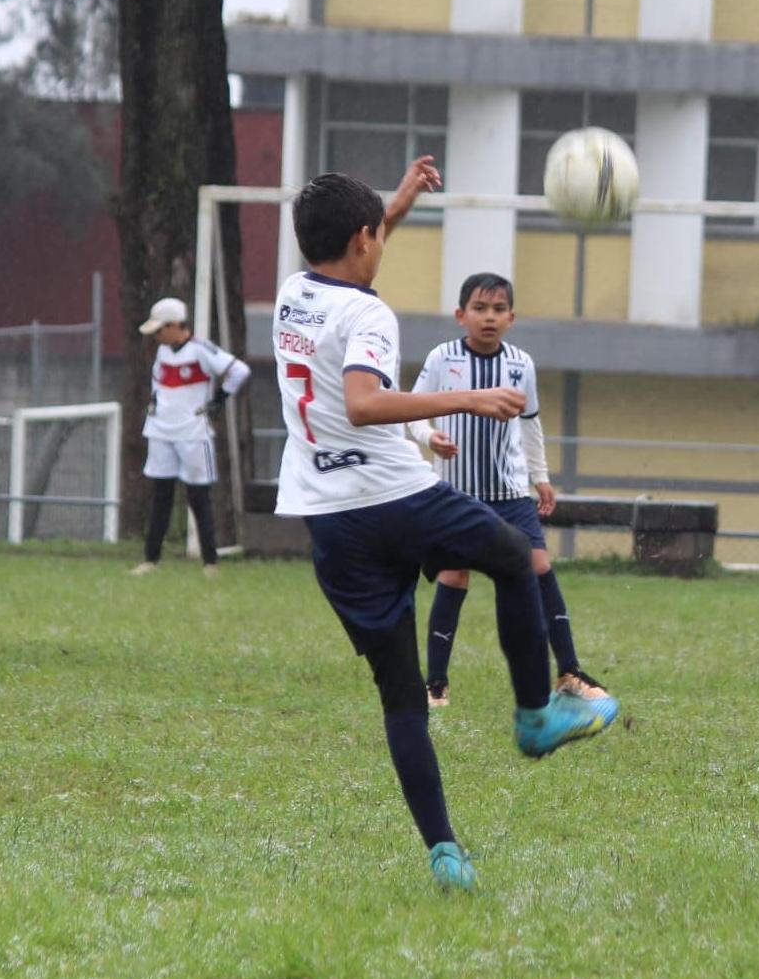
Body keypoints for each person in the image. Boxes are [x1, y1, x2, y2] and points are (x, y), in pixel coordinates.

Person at [272, 166, 619, 891]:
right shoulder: (368, 316)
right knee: (514, 554)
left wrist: (394, 206)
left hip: (328, 518)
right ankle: (534, 717)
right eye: (378, 232)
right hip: (392, 496)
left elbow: (349, 258)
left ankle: (445, 853)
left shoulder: (294, 295)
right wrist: (470, 398)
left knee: (401, 695)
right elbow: (364, 404)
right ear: (363, 240)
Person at [407, 273, 609, 708]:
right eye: (480, 308)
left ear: (511, 318)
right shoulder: (442, 358)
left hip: (511, 495)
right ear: (461, 315)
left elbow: (530, 424)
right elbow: (414, 410)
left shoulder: (521, 364)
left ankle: (570, 672)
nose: (489, 317)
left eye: (498, 310)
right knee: (454, 575)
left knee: (539, 567)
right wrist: (429, 438)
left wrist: (540, 477)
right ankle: (435, 684)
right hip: (457, 493)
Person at [129, 297, 252, 578]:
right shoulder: (163, 352)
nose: (156, 337)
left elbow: (239, 371)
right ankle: (151, 559)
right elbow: (158, 381)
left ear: (174, 325)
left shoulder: (201, 349)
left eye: (160, 330)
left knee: (199, 498)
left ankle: (210, 563)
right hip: (160, 431)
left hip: (193, 434)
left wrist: (218, 400)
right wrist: (155, 403)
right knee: (161, 497)